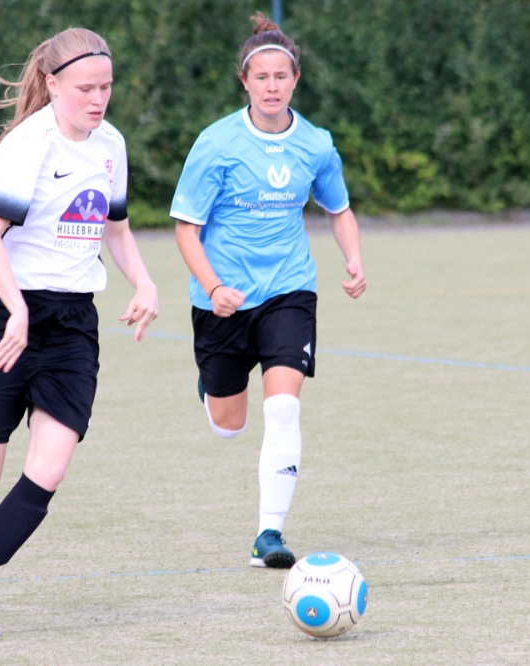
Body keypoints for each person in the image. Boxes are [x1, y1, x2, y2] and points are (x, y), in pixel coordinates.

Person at [0, 27, 158, 642]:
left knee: (48, 471)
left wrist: (144, 282)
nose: (98, 99)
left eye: (106, 87)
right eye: (85, 88)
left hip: (74, 327)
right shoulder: (29, 144)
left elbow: (115, 228)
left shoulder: (111, 144)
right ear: (52, 84)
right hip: (8, 318)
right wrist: (17, 310)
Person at [171, 13, 366, 569]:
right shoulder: (216, 144)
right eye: (262, 77)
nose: (272, 86)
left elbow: (338, 209)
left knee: (282, 410)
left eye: (282, 76)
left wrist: (353, 258)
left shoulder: (316, 144)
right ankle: (211, 390)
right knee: (229, 425)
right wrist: (213, 286)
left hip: (289, 290)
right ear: (245, 82)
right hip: (223, 299)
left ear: (296, 79)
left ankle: (269, 535)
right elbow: (185, 228)